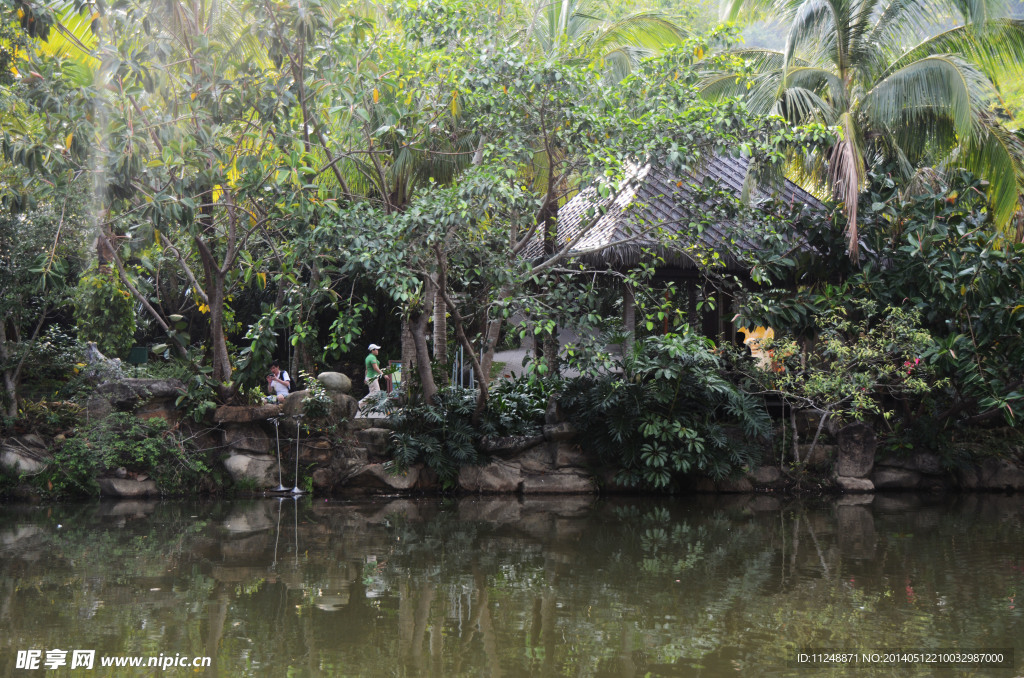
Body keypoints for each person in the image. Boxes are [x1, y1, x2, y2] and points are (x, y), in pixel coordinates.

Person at [359, 343, 384, 411]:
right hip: (372, 377)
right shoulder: (372, 357)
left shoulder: (368, 357)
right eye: (376, 349)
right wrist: (383, 374)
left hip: (370, 377)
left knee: (372, 393)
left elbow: (367, 369)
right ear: (373, 350)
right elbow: (375, 368)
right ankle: (360, 404)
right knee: (376, 392)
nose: (377, 351)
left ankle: (368, 407)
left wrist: (365, 378)